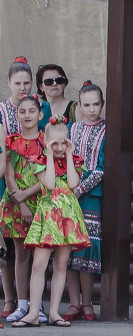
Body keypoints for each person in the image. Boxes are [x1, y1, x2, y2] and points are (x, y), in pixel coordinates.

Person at [15, 115, 90, 328]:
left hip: (67, 216)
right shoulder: (40, 162)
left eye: (62, 142)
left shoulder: (72, 161)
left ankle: (55, 312)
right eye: (53, 143)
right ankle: (33, 313)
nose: (58, 147)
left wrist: (68, 155)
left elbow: (74, 183)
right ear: (46, 142)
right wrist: (48, 155)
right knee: (39, 264)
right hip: (48, 215)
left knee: (60, 264)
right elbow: (48, 184)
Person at [1, 91, 45, 324]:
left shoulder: (46, 142)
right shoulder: (12, 142)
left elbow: (50, 175)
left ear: (40, 114)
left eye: (32, 111)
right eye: (22, 111)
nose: (27, 115)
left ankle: (39, 305)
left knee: (41, 255)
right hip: (16, 203)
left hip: (40, 201)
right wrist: (21, 201)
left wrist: (28, 196)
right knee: (19, 254)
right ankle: (21, 303)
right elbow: (9, 175)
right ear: (16, 115)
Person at [66, 81, 106, 320]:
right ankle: (73, 303)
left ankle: (88, 303)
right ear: (79, 106)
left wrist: (80, 188)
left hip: (91, 195)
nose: (92, 109)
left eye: (96, 104)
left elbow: (102, 167)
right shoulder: (71, 129)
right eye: (87, 105)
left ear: (102, 105)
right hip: (67, 195)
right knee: (68, 249)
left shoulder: (107, 130)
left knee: (87, 248)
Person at [2, 57, 35, 321]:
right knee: (10, 248)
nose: (22, 88)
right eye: (18, 83)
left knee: (34, 249)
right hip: (8, 183)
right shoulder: (1, 112)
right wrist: (17, 195)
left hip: (35, 185)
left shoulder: (37, 107)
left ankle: (34, 303)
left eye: (26, 83)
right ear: (9, 84)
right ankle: (11, 298)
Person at [35, 63, 77, 132]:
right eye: (48, 81)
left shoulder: (75, 108)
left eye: (59, 80)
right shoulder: (36, 109)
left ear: (65, 84)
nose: (54, 84)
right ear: (41, 87)